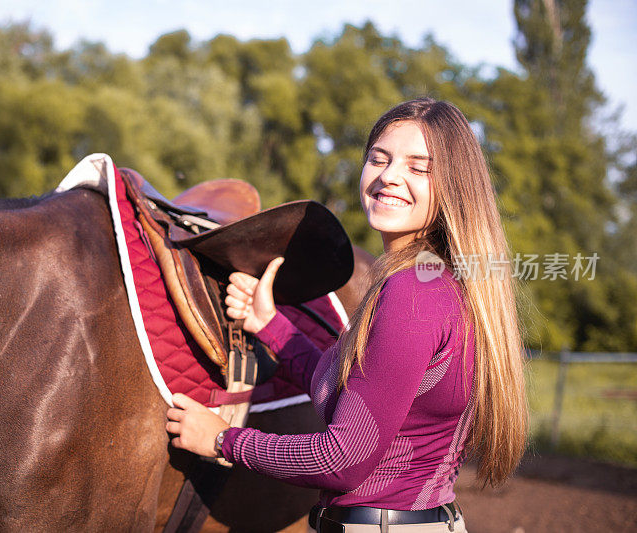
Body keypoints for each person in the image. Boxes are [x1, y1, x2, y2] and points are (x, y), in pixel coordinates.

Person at [165, 97, 528, 533]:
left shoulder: (412, 293)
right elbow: (347, 390)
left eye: (419, 167)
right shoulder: (441, 282)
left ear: (454, 186)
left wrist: (222, 439)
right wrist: (269, 325)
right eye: (379, 158)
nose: (389, 176)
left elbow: (341, 460)